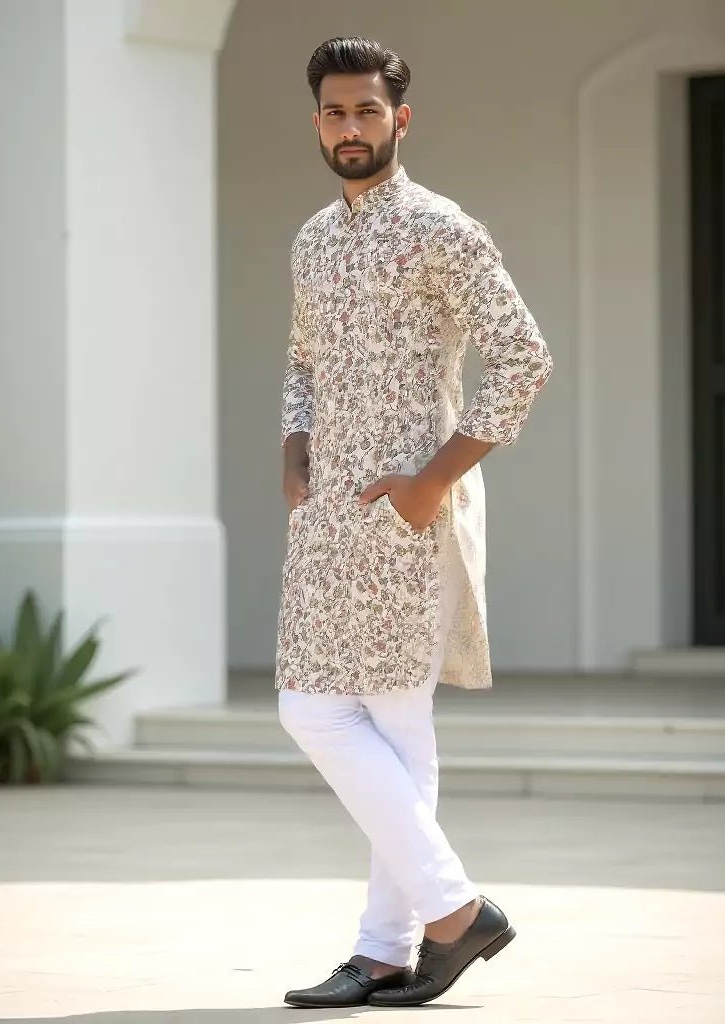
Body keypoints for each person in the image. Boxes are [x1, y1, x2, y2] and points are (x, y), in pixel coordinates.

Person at [275, 36, 553, 1009]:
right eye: (335, 112)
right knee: (315, 705)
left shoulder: (442, 228)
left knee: (390, 722)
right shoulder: (314, 239)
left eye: (367, 110)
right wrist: (294, 445)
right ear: (318, 123)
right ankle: (433, 925)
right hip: (327, 520)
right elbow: (302, 357)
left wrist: (433, 483)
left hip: (407, 516)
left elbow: (523, 358)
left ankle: (402, 938)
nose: (350, 128)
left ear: (400, 118)